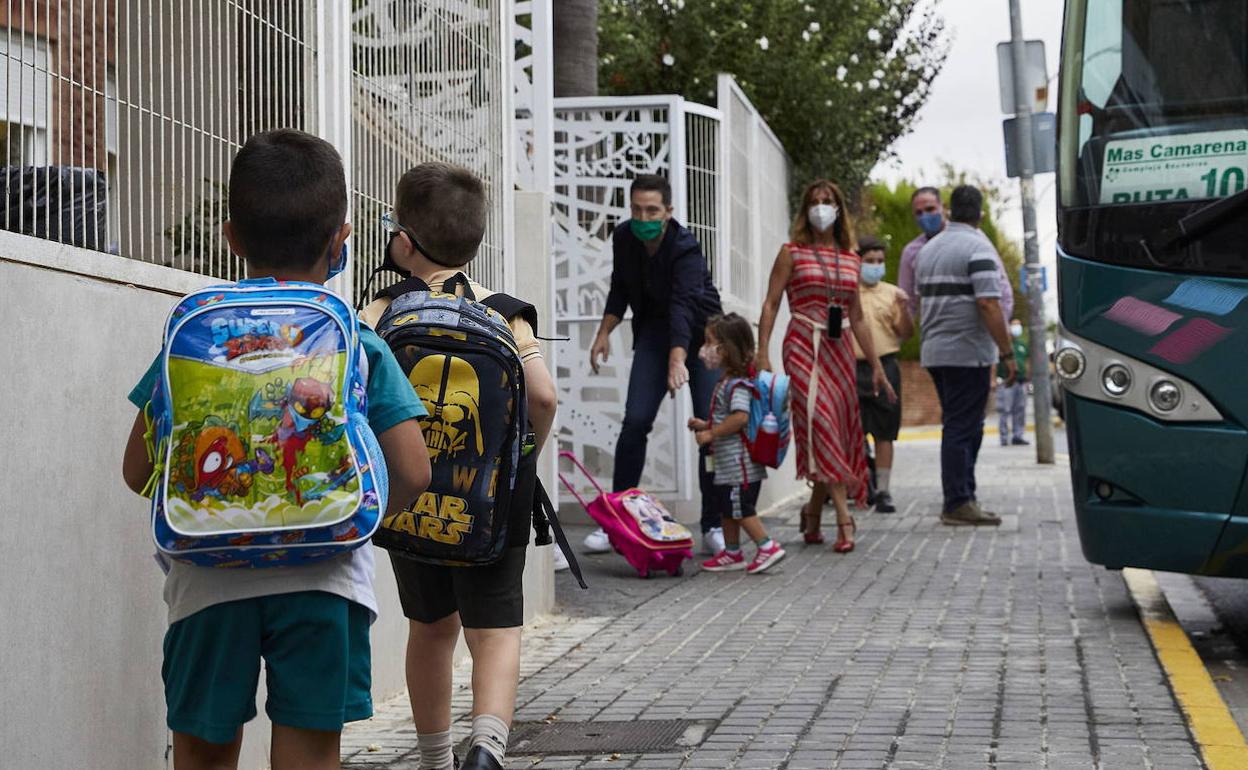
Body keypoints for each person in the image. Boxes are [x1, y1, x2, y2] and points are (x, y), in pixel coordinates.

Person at [120, 129, 433, 770]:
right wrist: (351, 514)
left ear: (231, 237)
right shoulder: (357, 340)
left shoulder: (195, 337)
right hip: (328, 579)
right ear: (340, 238)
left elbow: (137, 471)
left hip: (206, 583)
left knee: (203, 754)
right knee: (310, 755)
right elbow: (413, 470)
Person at [360, 162, 558, 770]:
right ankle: (488, 748)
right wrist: (519, 461)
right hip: (492, 501)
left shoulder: (380, 312)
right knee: (494, 630)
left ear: (403, 239)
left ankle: (433, 759)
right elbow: (544, 397)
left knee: (430, 627)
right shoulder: (505, 314)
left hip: (411, 498)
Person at [587, 174, 727, 555]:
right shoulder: (624, 238)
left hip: (702, 340)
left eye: (652, 210)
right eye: (636, 209)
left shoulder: (686, 248)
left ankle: (714, 523)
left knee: (709, 430)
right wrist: (604, 332)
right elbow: (620, 287)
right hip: (652, 335)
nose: (643, 216)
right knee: (635, 422)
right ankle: (617, 518)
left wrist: (678, 358)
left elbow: (684, 306)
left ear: (668, 212)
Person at [757, 180, 896, 553]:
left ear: (838, 210)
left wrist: (878, 366)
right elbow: (771, 304)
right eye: (815, 201)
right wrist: (763, 352)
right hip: (802, 341)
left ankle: (812, 513)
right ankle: (843, 518)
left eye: (828, 201)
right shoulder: (791, 252)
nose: (821, 207)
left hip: (838, 349)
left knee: (832, 426)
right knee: (820, 422)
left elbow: (859, 318)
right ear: (805, 210)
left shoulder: (851, 258)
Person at [915, 185, 1018, 527]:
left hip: (935, 351)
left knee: (962, 424)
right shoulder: (977, 247)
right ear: (980, 214)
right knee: (962, 427)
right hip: (966, 352)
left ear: (949, 211)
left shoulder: (928, 250)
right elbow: (988, 303)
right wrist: (1007, 353)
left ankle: (965, 497)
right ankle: (957, 502)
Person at [688, 314, 787, 574]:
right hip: (727, 465)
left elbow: (739, 418)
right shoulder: (727, 382)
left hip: (739, 467)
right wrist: (704, 425)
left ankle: (767, 547)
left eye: (709, 343)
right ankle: (732, 553)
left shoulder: (738, 385)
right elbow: (726, 417)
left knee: (742, 509)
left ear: (726, 349)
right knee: (727, 510)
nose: (705, 349)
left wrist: (711, 434)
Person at [851, 237, 913, 514]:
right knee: (855, 430)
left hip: (886, 365)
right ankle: (864, 485)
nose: (875, 266)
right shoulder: (848, 292)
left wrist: (904, 309)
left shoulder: (893, 293)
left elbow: (906, 333)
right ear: (858, 261)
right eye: (869, 261)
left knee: (885, 431)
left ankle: (884, 490)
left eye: (879, 261)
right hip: (853, 366)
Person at [898, 186, 1013, 322]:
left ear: (944, 207)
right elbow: (907, 301)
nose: (925, 216)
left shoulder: (973, 238)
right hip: (937, 333)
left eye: (930, 209)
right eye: (919, 213)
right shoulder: (912, 252)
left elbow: (1001, 285)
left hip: (974, 330)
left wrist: (1002, 324)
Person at [998, 318, 1030, 446]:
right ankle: (1004, 437)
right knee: (1005, 410)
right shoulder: (1003, 344)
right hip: (1007, 382)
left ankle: (1018, 436)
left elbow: (1027, 361)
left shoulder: (1022, 345)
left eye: (1019, 325)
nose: (1017, 328)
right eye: (1014, 325)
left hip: (1021, 382)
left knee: (1020, 410)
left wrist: (1028, 375)